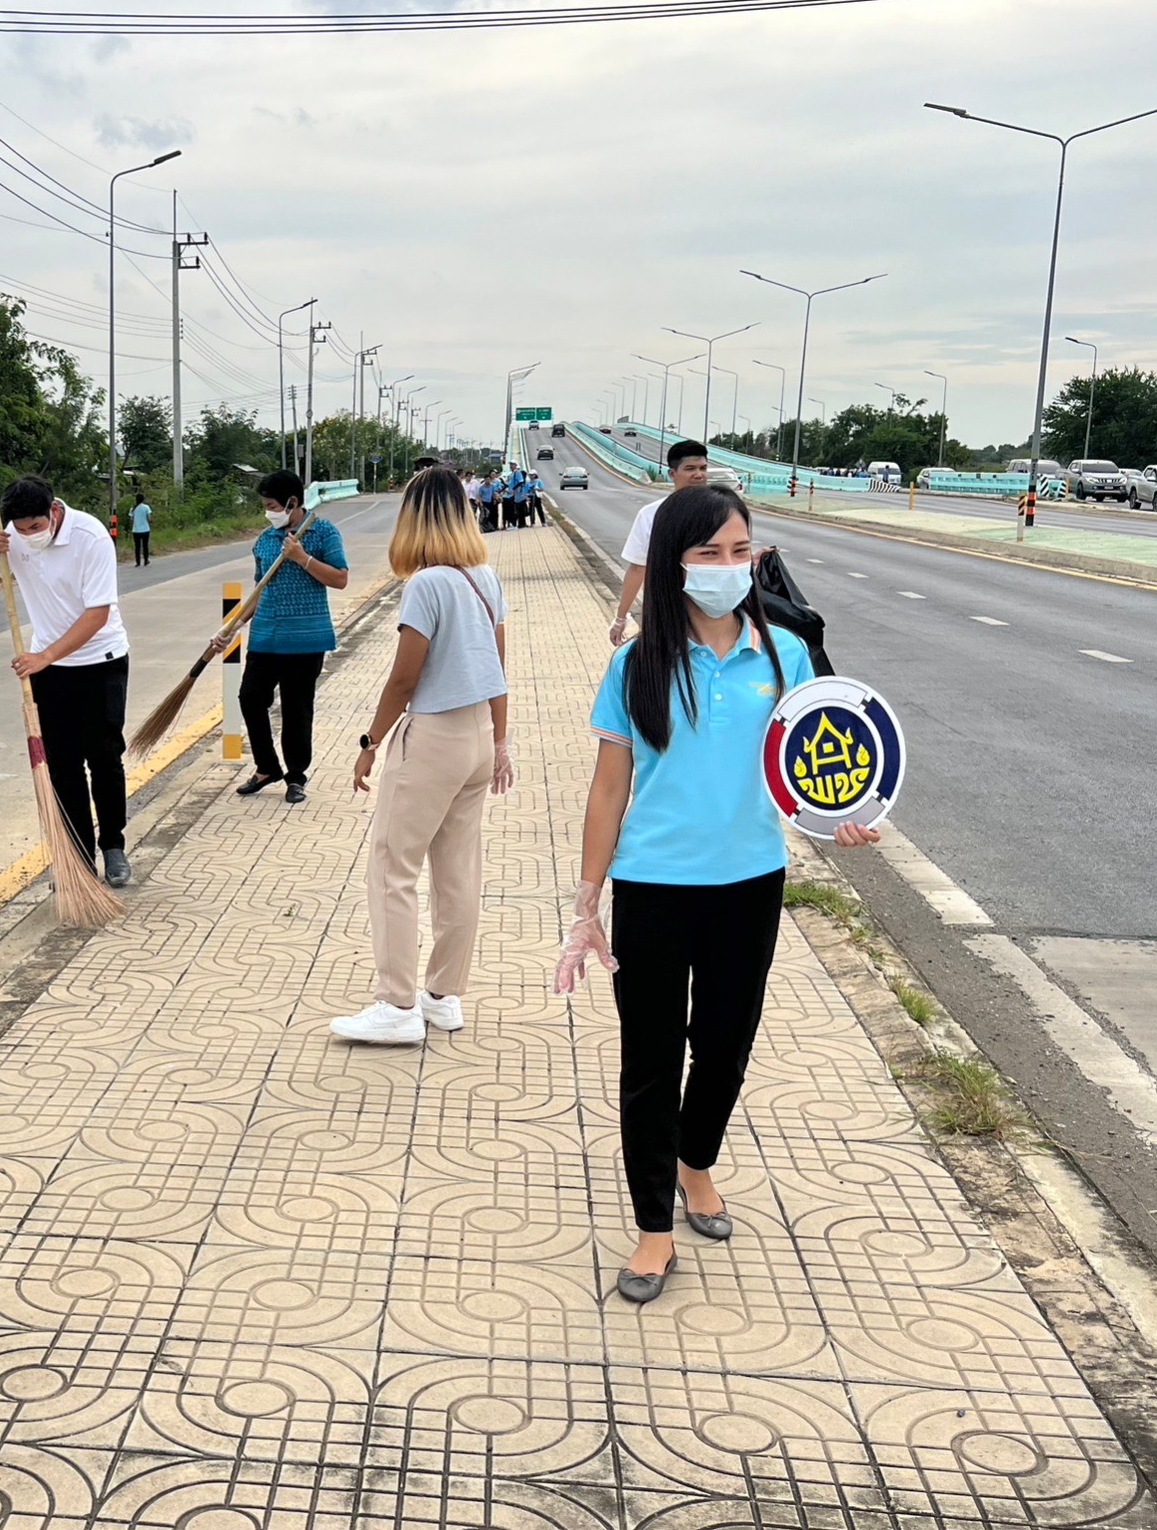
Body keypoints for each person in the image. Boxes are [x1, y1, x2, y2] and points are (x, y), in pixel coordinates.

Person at [555, 485, 880, 1307]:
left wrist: (840, 816)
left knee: (726, 1047)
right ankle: (653, 1228)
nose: (727, 568)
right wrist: (586, 904)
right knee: (650, 1061)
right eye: (708, 554)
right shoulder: (637, 663)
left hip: (749, 883)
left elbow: (813, 770)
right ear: (674, 563)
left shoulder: (786, 657)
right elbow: (607, 787)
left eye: (741, 552)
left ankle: (697, 1160)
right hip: (654, 887)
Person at [331, 466, 514, 1045]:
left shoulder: (426, 584)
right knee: (458, 872)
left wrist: (370, 743)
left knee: (393, 867)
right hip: (479, 737)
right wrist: (501, 741)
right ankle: (442, 996)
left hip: (432, 736)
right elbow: (498, 673)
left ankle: (395, 1004)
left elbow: (404, 680)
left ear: (414, 519)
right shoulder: (486, 577)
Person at [0, 476, 134, 887]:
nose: (28, 535)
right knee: (62, 766)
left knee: (104, 756)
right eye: (21, 529)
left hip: (101, 659)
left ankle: (113, 845)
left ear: (53, 511)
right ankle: (77, 858)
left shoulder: (91, 537)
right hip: (48, 668)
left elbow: (97, 614)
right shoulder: (11, 535)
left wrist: (44, 656)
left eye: (36, 527)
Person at [226, 469, 350, 803]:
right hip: (266, 635)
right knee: (250, 698)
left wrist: (302, 558)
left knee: (297, 708)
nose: (268, 511)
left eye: (272, 505)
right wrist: (233, 625)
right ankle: (266, 767)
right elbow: (259, 588)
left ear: (293, 502)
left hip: (306, 638)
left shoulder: (323, 532)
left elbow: (340, 579)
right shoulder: (265, 540)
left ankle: (296, 776)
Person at [609, 440, 711, 646]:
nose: (699, 475)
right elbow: (638, 568)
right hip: (665, 612)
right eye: (690, 469)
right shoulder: (652, 515)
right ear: (672, 474)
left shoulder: (722, 513)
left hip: (712, 612)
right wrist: (621, 618)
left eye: (703, 468)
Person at [130, 495, 154, 567]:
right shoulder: (146, 507)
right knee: (145, 545)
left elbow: (132, 519)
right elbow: (149, 518)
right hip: (145, 529)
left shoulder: (133, 508)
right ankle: (146, 560)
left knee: (137, 546)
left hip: (136, 530)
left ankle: (138, 562)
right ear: (143, 499)